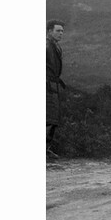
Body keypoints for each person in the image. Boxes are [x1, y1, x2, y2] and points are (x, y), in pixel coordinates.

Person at [46, 19, 66, 159]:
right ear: (49, 31)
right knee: (48, 119)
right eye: (58, 31)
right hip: (46, 86)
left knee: (53, 119)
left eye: (62, 31)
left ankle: (46, 149)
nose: (61, 33)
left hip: (53, 86)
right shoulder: (46, 46)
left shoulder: (55, 46)